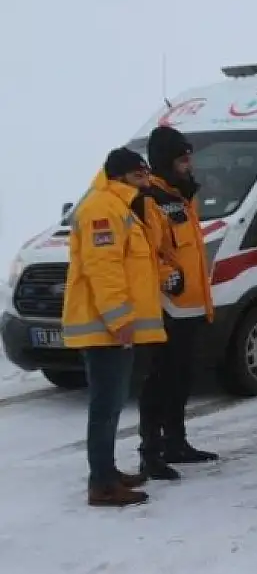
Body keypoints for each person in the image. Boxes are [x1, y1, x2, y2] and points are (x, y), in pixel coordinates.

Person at [63, 148, 168, 507]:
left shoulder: (117, 206)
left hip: (109, 327)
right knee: (105, 406)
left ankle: (106, 472)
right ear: (120, 176)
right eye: (139, 175)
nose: (146, 181)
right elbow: (103, 269)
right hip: (104, 328)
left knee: (111, 404)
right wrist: (119, 319)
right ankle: (103, 485)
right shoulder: (101, 209)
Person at [136, 126, 218, 482]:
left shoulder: (184, 196)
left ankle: (177, 442)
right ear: (166, 161)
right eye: (183, 159)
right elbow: (146, 251)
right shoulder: (150, 198)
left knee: (182, 378)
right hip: (165, 308)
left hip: (191, 307)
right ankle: (150, 453)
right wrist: (167, 273)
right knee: (158, 382)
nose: (189, 165)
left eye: (189, 158)